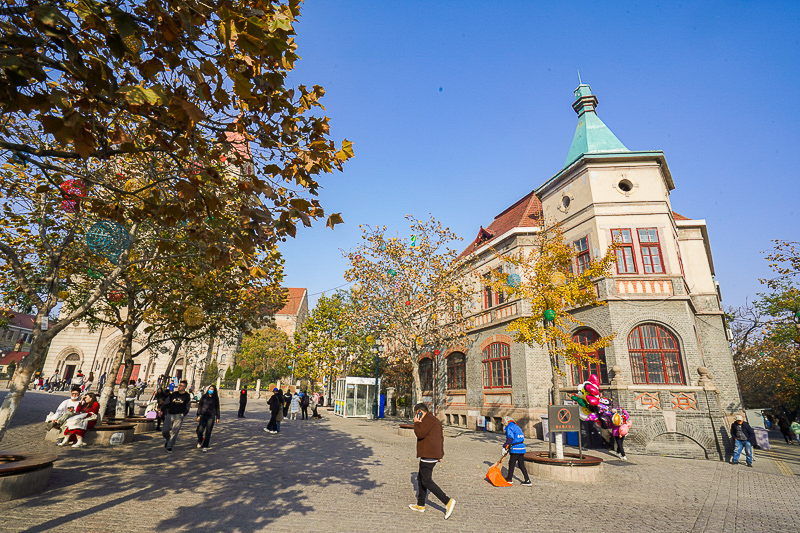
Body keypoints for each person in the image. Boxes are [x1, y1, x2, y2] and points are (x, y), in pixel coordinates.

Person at [409, 403, 455, 519]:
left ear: (420, 412)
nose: (416, 415)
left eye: (416, 413)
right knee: (420, 478)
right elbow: (440, 438)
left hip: (428, 454)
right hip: (431, 453)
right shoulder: (434, 419)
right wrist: (440, 454)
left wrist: (416, 423)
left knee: (426, 481)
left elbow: (420, 434)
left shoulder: (428, 420)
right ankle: (420, 504)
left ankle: (447, 501)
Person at [160, 380, 191, 452]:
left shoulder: (187, 396)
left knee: (174, 431)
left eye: (181, 386)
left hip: (179, 415)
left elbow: (188, 406)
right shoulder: (173, 394)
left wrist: (183, 414)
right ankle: (168, 439)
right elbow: (166, 403)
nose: (179, 387)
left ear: (185, 387)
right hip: (170, 414)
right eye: (179, 385)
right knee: (165, 431)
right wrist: (162, 410)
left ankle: (169, 446)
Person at [502, 418, 531, 486]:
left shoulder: (509, 427)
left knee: (511, 463)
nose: (503, 424)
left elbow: (510, 438)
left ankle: (509, 479)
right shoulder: (517, 427)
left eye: (503, 422)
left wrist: (505, 447)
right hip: (522, 448)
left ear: (506, 421)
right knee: (521, 464)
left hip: (516, 448)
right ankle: (527, 480)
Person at [195, 384, 220, 452]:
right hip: (203, 415)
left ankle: (205, 445)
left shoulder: (215, 398)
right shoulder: (204, 397)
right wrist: (198, 415)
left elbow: (217, 407)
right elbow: (200, 406)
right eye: (210, 389)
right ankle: (200, 440)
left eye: (212, 389)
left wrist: (218, 417)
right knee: (199, 430)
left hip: (211, 416)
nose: (210, 390)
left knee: (208, 431)